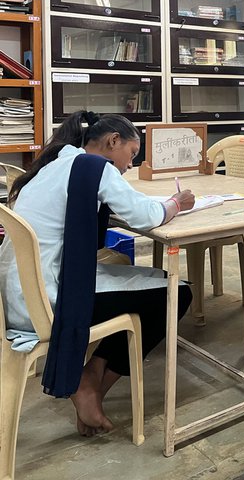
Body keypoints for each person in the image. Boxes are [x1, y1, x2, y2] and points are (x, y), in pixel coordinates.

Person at [0, 110, 196, 438]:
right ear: (112, 141)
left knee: (146, 280)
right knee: (178, 291)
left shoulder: (55, 164)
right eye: (131, 154)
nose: (129, 165)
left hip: (19, 292)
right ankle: (90, 384)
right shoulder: (94, 166)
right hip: (45, 301)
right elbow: (144, 215)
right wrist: (176, 203)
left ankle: (91, 380)